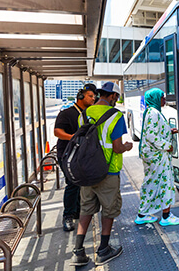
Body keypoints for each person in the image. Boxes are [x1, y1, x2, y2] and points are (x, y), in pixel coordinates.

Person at [71, 82, 133, 266]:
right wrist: (128, 146)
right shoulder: (116, 116)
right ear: (113, 96)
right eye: (116, 97)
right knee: (109, 209)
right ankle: (104, 249)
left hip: (86, 171)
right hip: (108, 171)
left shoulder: (83, 114)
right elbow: (117, 147)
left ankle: (78, 252)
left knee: (86, 209)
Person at [135, 88, 179, 227]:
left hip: (154, 155)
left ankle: (143, 214)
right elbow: (151, 136)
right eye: (162, 97)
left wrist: (169, 131)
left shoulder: (152, 112)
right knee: (165, 183)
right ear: (155, 98)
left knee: (152, 184)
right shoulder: (153, 113)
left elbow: (154, 131)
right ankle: (166, 216)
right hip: (157, 155)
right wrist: (167, 145)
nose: (164, 100)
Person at [54, 83, 97, 232]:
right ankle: (68, 216)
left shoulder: (89, 114)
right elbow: (57, 132)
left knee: (80, 183)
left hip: (81, 155)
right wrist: (73, 137)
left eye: (94, 97)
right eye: (90, 96)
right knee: (72, 183)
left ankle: (78, 211)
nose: (93, 99)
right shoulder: (67, 113)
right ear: (80, 96)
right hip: (67, 154)